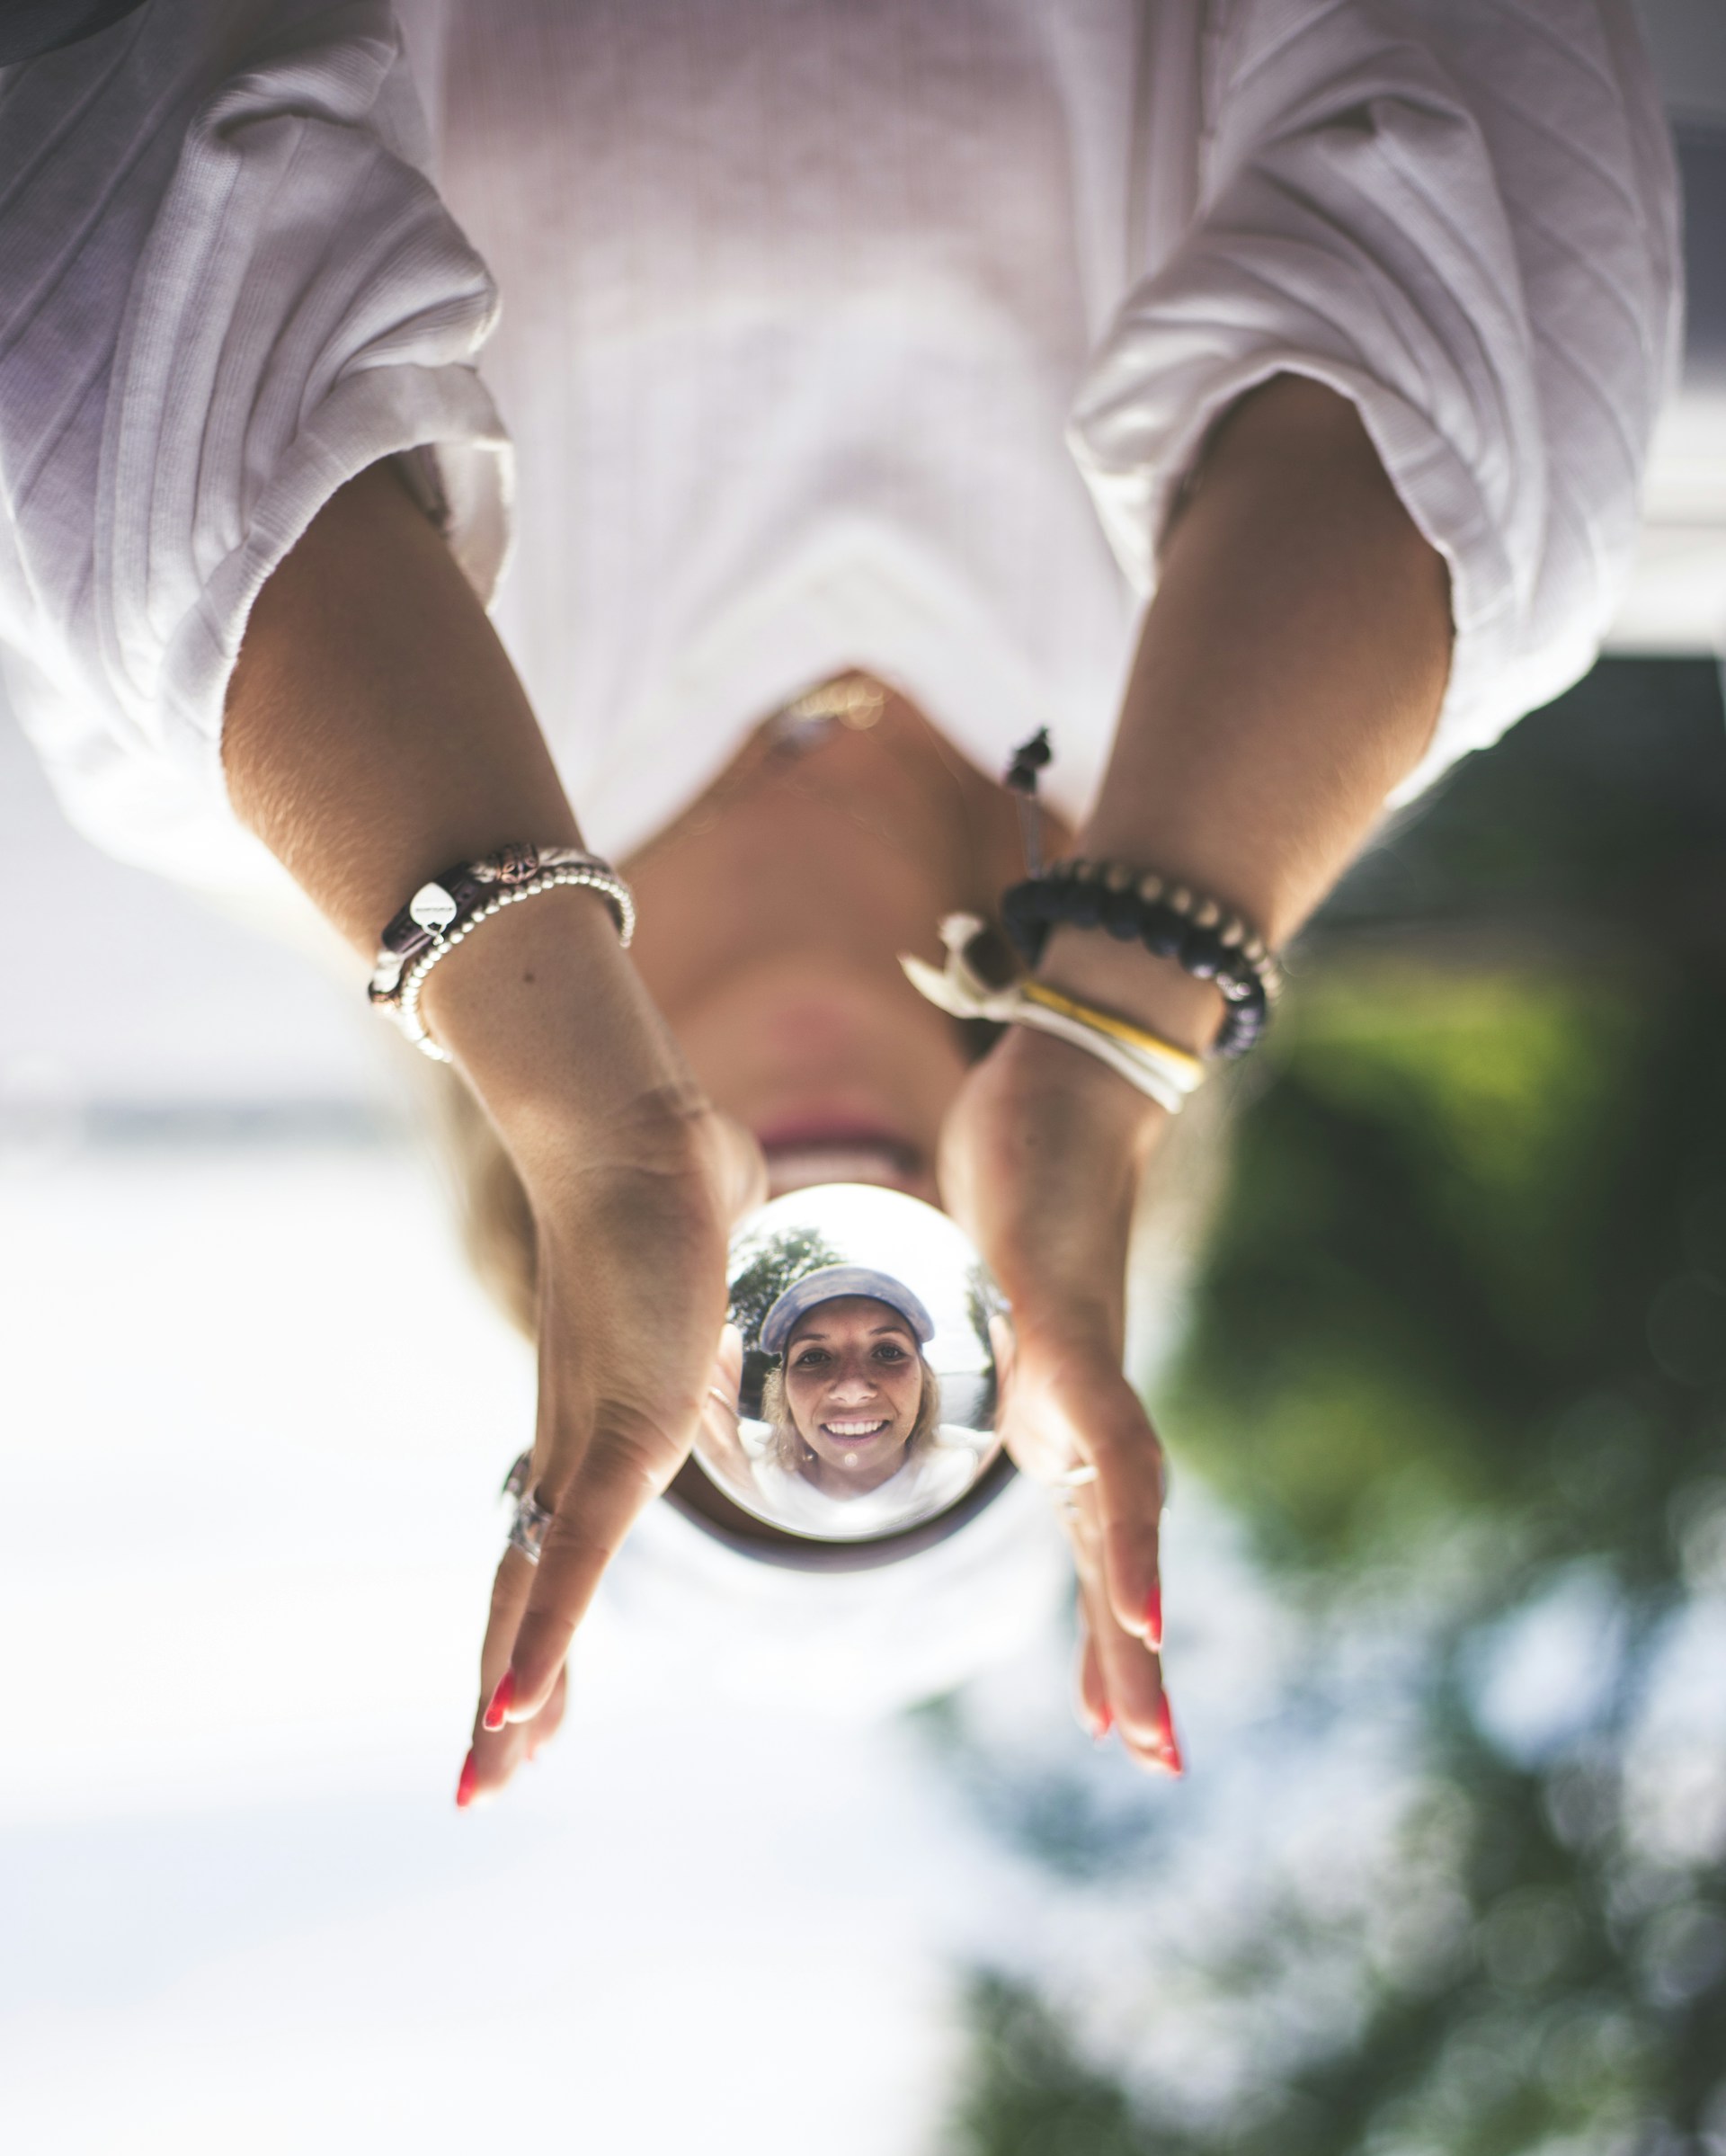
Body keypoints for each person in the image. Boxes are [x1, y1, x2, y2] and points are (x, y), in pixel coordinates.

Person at [0, 2, 1678, 1803]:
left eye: (767, 1402)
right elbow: (1483, 286)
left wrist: (599, 1124)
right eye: (914, 1403)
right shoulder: (1264, 722)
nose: (852, 1361)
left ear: (593, 1346)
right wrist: (1111, 1033)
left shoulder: (222, 783)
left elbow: (117, 308)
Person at [698, 1267, 994, 1539]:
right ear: (784, 1387)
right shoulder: (743, 1475)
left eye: (888, 1352)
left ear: (923, 1376)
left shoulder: (975, 1470)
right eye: (814, 1357)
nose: (852, 1390)